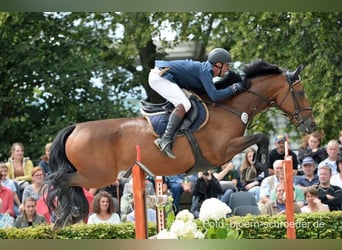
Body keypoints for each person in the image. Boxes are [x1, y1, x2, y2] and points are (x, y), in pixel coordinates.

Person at [148, 48, 248, 158]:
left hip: (163, 76)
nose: (227, 70)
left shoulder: (205, 70)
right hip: (159, 77)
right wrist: (234, 88)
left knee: (187, 102)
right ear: (218, 64)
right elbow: (214, 96)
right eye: (226, 66)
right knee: (185, 104)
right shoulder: (205, 71)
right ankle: (165, 139)